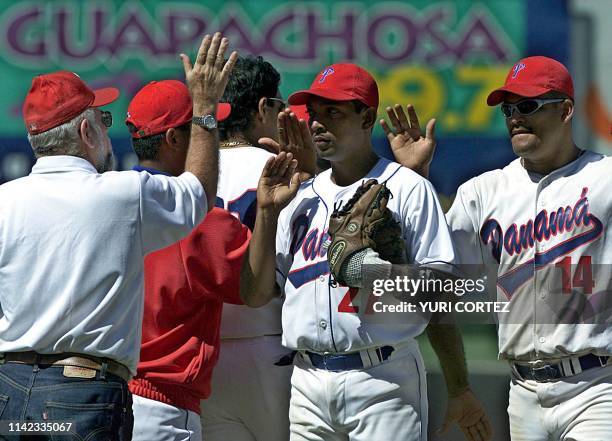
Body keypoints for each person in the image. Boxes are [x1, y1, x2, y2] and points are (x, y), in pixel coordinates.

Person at [0, 32, 235, 440]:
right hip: (82, 390)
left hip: (9, 385)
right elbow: (199, 191)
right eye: (103, 121)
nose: (108, 133)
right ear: (87, 134)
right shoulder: (124, 193)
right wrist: (205, 109)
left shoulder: (5, 200)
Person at [240, 63, 492, 441]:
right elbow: (256, 294)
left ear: (367, 118)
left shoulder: (408, 187)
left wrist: (374, 272)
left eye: (334, 112)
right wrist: (266, 212)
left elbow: (441, 291)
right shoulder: (298, 197)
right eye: (316, 113)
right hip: (307, 381)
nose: (319, 124)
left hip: (383, 379)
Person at [419, 55, 612, 440]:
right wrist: (416, 182)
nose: (515, 117)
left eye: (528, 106)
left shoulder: (605, 179)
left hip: (598, 387)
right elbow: (435, 284)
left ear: (566, 110)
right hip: (522, 392)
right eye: (509, 109)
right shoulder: (481, 192)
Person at [123, 79, 246, 441]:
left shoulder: (107, 199)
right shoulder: (199, 222)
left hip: (102, 396)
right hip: (162, 409)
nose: (214, 139)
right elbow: (261, 287)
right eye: (203, 129)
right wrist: (269, 213)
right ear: (173, 140)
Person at [201, 55, 308, 441]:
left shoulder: (189, 175)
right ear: (263, 107)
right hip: (270, 347)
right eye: (279, 105)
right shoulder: (286, 174)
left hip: (203, 355)